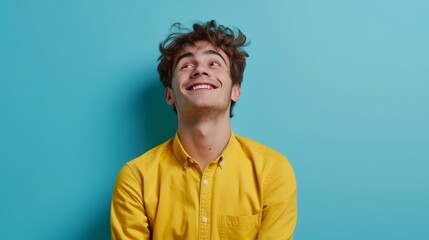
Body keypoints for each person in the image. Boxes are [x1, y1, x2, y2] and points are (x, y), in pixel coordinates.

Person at [111, 20, 297, 240]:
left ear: (235, 91)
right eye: (186, 65)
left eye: (214, 63)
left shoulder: (272, 172)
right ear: (169, 95)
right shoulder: (135, 179)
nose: (200, 70)